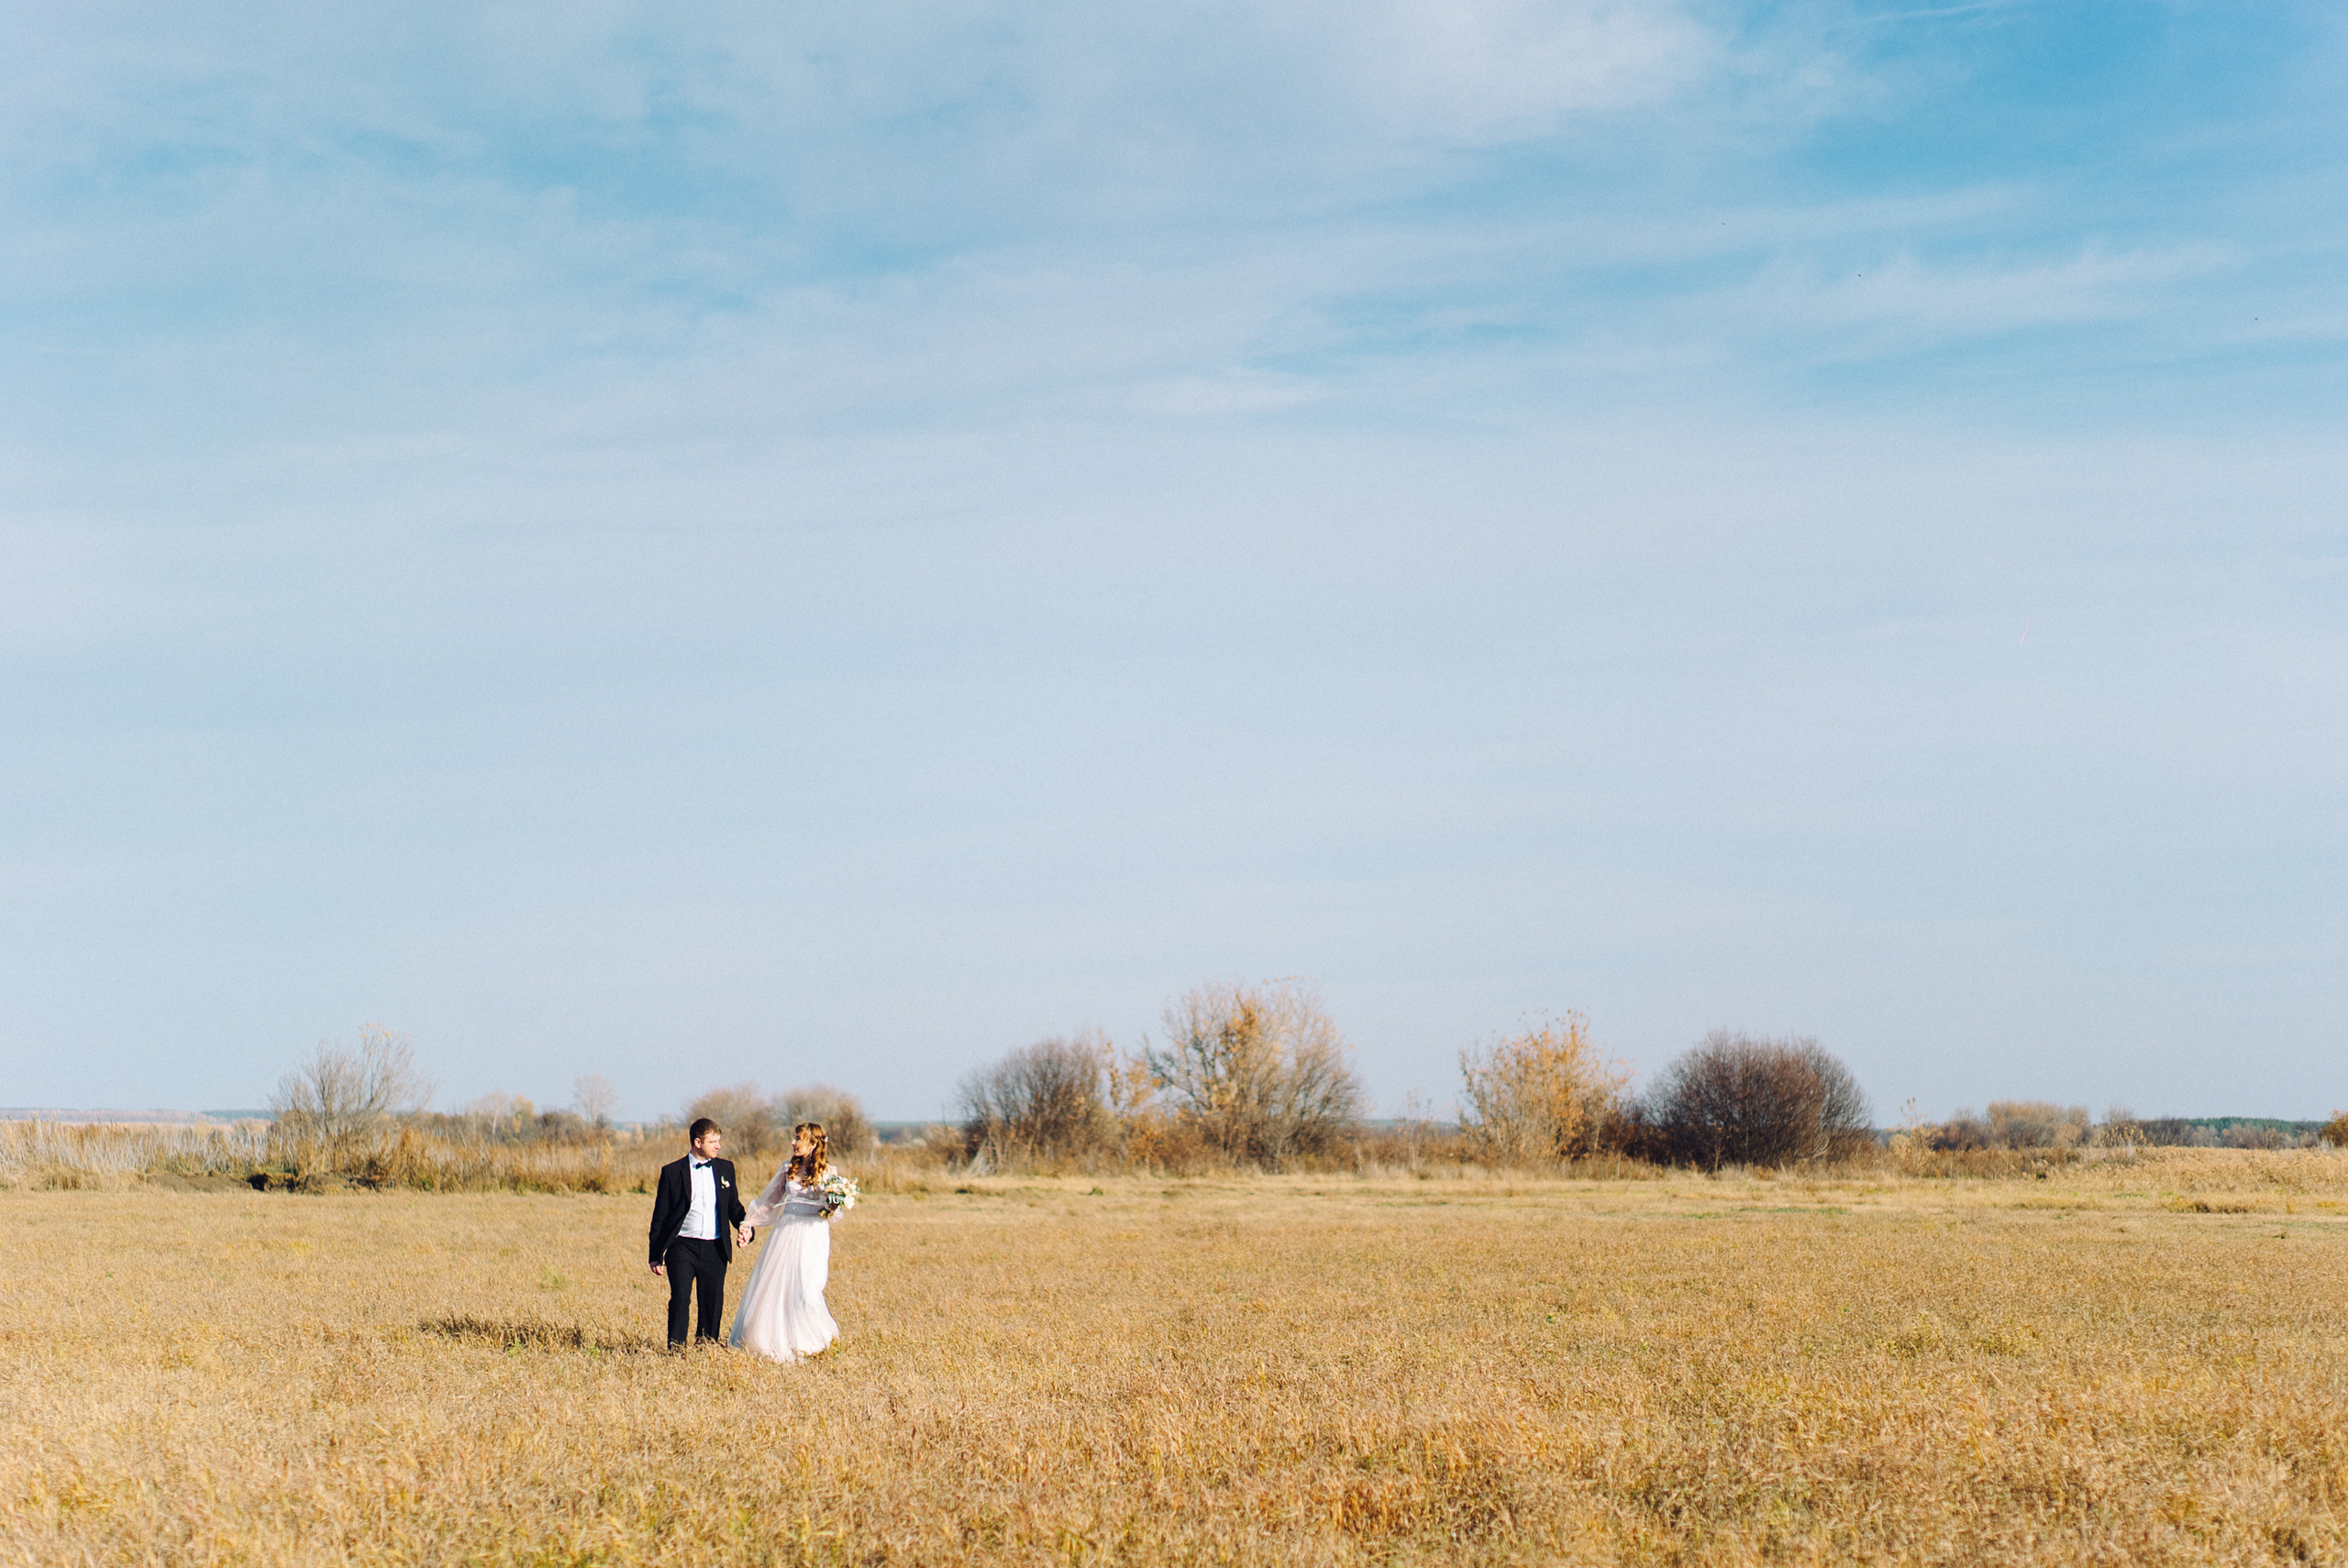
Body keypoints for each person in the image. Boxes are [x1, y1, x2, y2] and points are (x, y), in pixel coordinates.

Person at [729, 1121, 841, 1363]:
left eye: (798, 1139)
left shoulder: (830, 1173)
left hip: (813, 1233)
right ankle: (774, 1338)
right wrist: (748, 1224)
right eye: (794, 1137)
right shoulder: (786, 1168)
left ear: (813, 1144)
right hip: (786, 1230)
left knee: (808, 1287)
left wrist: (833, 1205)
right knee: (778, 1285)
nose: (793, 1142)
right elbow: (768, 1202)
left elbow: (833, 1211)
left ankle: (810, 1339)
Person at [648, 1117, 749, 1351]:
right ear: (697, 1142)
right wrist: (656, 1254)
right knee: (681, 1298)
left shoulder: (726, 1169)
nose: (718, 1146)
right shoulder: (672, 1172)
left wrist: (746, 1226)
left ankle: (707, 1347)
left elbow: (734, 1207)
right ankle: (676, 1348)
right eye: (713, 1141)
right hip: (682, 1246)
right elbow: (660, 1216)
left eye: (719, 1141)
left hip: (715, 1247)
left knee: (712, 1301)